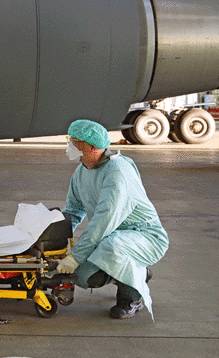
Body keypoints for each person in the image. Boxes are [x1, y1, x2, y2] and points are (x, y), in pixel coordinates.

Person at [56, 119, 169, 319]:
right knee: (84, 277)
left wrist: (76, 257)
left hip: (144, 237)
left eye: (75, 142)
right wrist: (53, 238)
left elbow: (103, 220)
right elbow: (73, 210)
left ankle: (132, 296)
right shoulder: (83, 170)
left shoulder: (118, 173)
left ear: (92, 146)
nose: (70, 146)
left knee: (113, 247)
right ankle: (136, 270)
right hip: (111, 237)